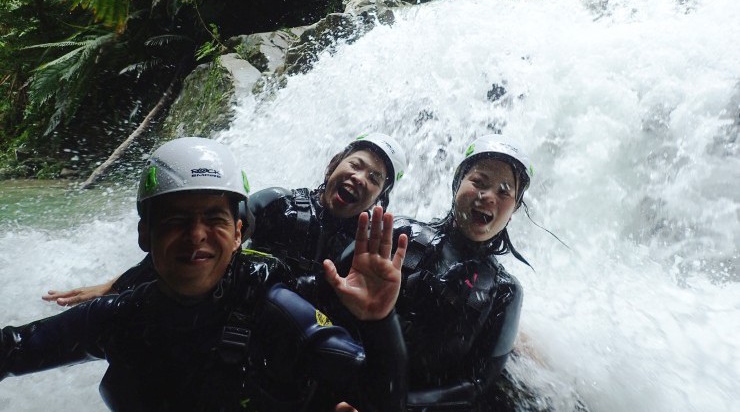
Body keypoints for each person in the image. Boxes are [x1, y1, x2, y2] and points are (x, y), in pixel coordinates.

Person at [2, 137, 409, 411]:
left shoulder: (280, 308)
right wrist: (114, 285)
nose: (196, 235)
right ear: (146, 234)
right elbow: (17, 347)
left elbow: (381, 393)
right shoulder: (123, 315)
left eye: (213, 218)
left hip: (293, 356)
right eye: (177, 220)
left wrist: (379, 319)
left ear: (235, 234)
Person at [42, 133, 407, 306]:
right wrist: (115, 285)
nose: (360, 178)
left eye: (374, 178)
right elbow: (196, 244)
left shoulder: (370, 249)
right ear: (333, 166)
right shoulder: (277, 204)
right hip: (233, 317)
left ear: (381, 197)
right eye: (355, 165)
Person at [388, 134, 532, 411]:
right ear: (456, 185)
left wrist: (396, 405)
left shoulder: (505, 291)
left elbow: (476, 384)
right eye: (479, 182)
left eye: (504, 192)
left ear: (512, 211)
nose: (488, 196)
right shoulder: (399, 233)